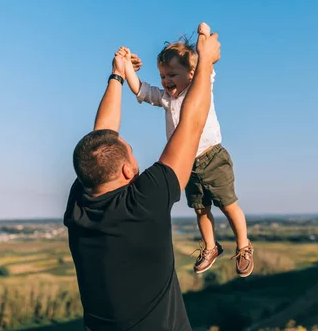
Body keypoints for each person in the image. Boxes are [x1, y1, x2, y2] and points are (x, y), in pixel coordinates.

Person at [63, 22, 221, 331]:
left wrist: (118, 74)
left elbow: (102, 140)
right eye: (130, 151)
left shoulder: (81, 202)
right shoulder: (143, 203)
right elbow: (192, 123)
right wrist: (204, 63)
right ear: (126, 170)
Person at [123, 24, 254, 277]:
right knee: (201, 209)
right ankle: (210, 247)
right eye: (162, 76)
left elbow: (207, 64)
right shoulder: (166, 99)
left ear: (192, 74)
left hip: (212, 157)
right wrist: (126, 65)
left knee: (228, 205)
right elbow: (140, 89)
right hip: (188, 165)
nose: (166, 81)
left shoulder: (201, 87)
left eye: (172, 74)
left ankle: (244, 245)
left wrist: (203, 34)